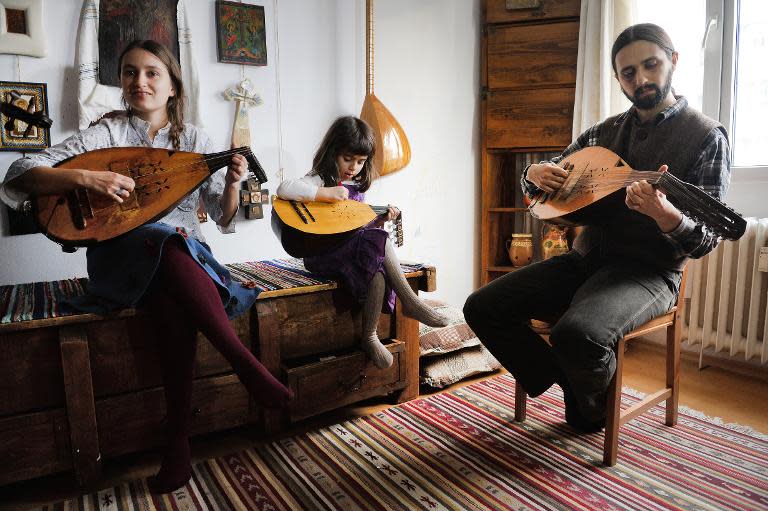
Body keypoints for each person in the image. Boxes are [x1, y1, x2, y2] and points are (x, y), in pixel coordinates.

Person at [0, 40, 291, 493]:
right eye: (130, 73)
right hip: (120, 258)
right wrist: (86, 176)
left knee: (172, 277)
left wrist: (233, 183)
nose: (140, 82)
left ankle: (176, 442)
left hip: (183, 264)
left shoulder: (195, 141)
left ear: (173, 85)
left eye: (152, 73)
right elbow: (20, 171)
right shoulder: (106, 134)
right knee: (160, 239)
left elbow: (221, 214)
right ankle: (244, 364)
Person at [463, 23, 730, 432]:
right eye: (628, 73)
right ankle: (570, 380)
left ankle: (587, 395)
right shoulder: (601, 133)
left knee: (577, 335)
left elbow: (704, 240)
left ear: (672, 61)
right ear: (618, 78)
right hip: (585, 259)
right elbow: (545, 188)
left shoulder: (706, 137)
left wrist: (665, 215)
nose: (640, 79)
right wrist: (533, 173)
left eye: (650, 65)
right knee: (481, 306)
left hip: (649, 272)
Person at [276, 116, 449, 368]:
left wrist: (377, 221)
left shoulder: (357, 185)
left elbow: (352, 228)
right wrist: (322, 193)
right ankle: (410, 302)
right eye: (348, 159)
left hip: (346, 250)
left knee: (376, 271)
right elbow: (284, 188)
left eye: (360, 161)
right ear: (332, 151)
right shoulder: (320, 177)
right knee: (381, 242)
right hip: (321, 253)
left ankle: (370, 336)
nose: (354, 167)